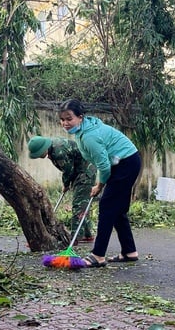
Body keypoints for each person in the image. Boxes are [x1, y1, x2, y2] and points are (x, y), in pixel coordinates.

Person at [58, 99, 141, 267]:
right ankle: (129, 252)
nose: (65, 123)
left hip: (125, 163)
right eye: (62, 119)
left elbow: (103, 166)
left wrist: (99, 185)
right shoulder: (84, 129)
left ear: (80, 117)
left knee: (107, 206)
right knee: (117, 210)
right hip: (122, 162)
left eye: (69, 119)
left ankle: (98, 255)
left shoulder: (90, 136)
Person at [28, 136, 96, 243]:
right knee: (83, 203)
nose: (39, 156)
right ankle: (87, 235)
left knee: (79, 204)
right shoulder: (52, 148)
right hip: (78, 171)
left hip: (85, 172)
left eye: (39, 153)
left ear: (44, 148)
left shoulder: (59, 151)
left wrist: (65, 184)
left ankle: (74, 239)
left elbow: (68, 170)